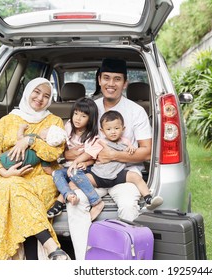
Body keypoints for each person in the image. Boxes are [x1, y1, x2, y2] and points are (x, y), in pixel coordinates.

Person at [65, 58, 153, 259]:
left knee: (129, 206)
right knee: (76, 202)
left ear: (125, 83)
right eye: (106, 78)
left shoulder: (136, 111)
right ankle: (84, 263)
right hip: (94, 174)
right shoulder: (90, 109)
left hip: (123, 175)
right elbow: (72, 146)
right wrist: (81, 157)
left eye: (117, 79)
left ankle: (125, 262)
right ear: (99, 80)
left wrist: (113, 155)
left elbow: (146, 151)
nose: (111, 84)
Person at [0, 77, 70, 260]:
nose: (40, 98)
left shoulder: (54, 121)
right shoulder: (7, 121)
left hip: (43, 178)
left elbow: (53, 154)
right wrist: (4, 172)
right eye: (36, 92)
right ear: (27, 91)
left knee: (24, 194)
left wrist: (29, 141)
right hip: (8, 177)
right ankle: (50, 247)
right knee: (14, 187)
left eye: (46, 96)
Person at [68, 110, 162, 214]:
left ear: (123, 129)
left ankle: (148, 198)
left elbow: (132, 150)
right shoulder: (100, 142)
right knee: (73, 183)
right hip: (98, 176)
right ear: (102, 131)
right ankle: (69, 198)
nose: (113, 132)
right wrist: (76, 162)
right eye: (108, 129)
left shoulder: (126, 142)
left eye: (116, 128)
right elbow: (88, 154)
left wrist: (131, 148)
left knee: (135, 177)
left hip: (118, 175)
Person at [47, 97, 105, 221]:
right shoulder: (68, 126)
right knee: (57, 173)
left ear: (91, 119)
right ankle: (69, 195)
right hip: (68, 166)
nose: (77, 118)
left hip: (83, 168)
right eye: (76, 113)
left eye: (83, 116)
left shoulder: (93, 136)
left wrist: (78, 162)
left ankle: (96, 201)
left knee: (73, 173)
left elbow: (90, 154)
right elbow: (60, 142)